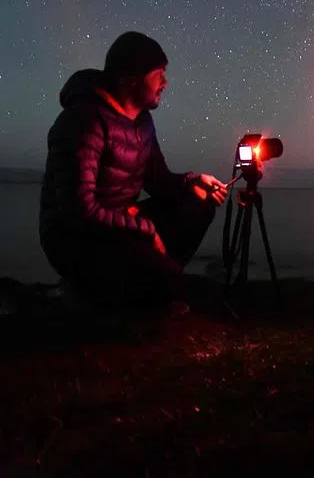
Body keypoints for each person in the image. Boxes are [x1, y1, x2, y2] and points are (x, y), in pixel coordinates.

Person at [39, 31, 229, 316]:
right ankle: (99, 288)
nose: (165, 83)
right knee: (167, 288)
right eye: (159, 74)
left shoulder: (143, 123)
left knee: (199, 200)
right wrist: (146, 229)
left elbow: (159, 182)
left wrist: (193, 181)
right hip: (75, 238)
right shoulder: (83, 121)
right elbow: (78, 211)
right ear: (133, 77)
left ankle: (154, 278)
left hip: (122, 224)